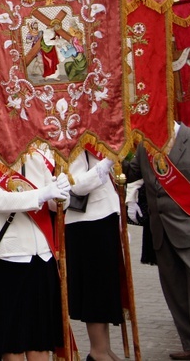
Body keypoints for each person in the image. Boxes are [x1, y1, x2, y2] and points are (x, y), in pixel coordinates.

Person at [0, 147, 70, 360]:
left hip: (42, 257)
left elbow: (54, 206)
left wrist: (62, 190)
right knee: (12, 342)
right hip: (7, 262)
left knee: (41, 340)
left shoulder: (37, 161)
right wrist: (41, 194)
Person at [125, 122, 190, 361]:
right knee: (175, 290)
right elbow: (130, 172)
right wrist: (111, 153)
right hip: (161, 231)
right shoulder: (146, 144)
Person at [65, 148, 122, 361]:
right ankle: (98, 351)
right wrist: (108, 160)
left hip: (103, 219)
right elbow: (77, 185)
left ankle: (103, 348)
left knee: (105, 290)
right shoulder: (75, 138)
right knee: (95, 291)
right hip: (87, 224)